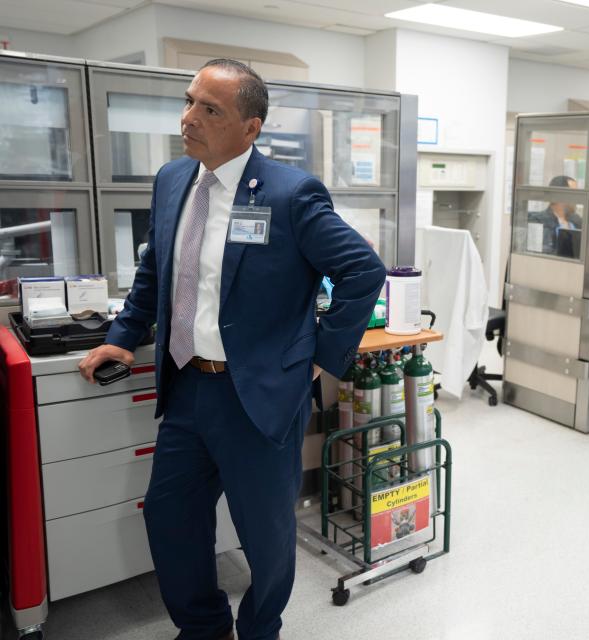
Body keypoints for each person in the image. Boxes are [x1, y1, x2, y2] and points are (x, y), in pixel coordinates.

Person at [78, 59, 385, 640]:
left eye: (210, 109)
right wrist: (122, 338)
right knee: (171, 521)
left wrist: (319, 358)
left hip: (260, 397)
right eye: (190, 101)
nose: (189, 117)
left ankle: (260, 628)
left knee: (265, 535)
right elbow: (155, 274)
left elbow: (361, 272)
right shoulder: (173, 180)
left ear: (251, 127)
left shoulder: (291, 195)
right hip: (188, 386)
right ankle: (204, 628)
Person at [528, 175, 582, 255]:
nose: (578, 199)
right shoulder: (538, 221)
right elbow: (536, 255)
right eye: (575, 194)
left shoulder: (577, 221)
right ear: (560, 195)